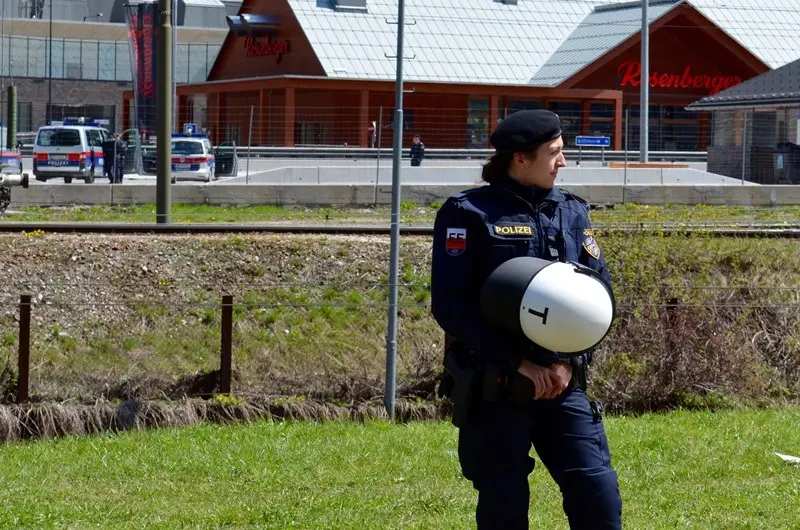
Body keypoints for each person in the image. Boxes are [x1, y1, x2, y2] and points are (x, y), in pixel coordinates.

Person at [431, 109, 622, 530]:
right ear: (520, 158)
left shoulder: (572, 211)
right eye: (554, 152)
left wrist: (566, 362)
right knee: (505, 507)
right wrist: (518, 361)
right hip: (498, 385)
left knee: (598, 497)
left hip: (562, 383)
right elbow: (451, 306)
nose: (564, 161)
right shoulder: (468, 213)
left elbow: (598, 296)